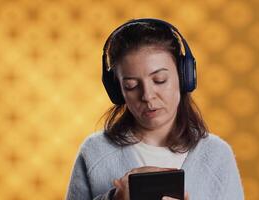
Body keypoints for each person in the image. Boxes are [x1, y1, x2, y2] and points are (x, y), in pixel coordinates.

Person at [66, 18, 244, 200]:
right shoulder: (94, 152)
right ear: (117, 90)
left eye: (159, 80)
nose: (147, 96)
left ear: (184, 77)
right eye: (131, 85)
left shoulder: (217, 156)